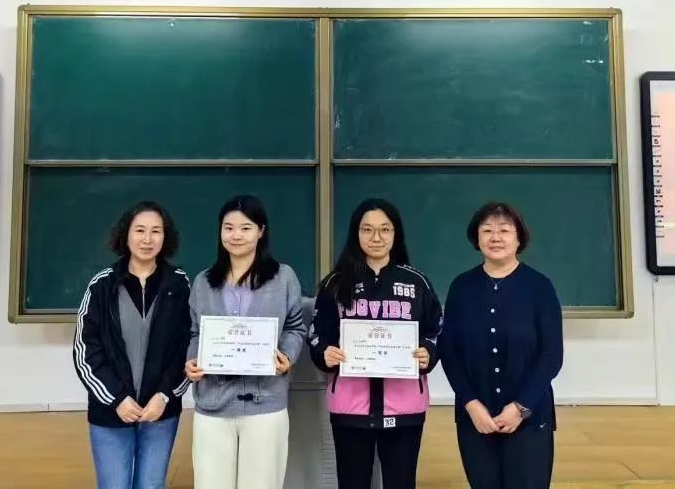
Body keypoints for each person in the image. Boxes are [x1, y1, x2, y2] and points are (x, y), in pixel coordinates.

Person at [308, 197, 443, 489]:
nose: (376, 237)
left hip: (404, 406)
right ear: (356, 234)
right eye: (367, 229)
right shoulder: (335, 283)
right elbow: (317, 333)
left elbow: (437, 329)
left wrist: (429, 351)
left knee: (401, 483)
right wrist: (324, 352)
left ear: (396, 234)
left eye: (385, 229)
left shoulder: (417, 283)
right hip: (350, 407)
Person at [184, 194, 306, 489]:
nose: (236, 235)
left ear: (261, 231)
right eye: (228, 228)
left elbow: (295, 326)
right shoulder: (203, 282)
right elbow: (195, 332)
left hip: (265, 403)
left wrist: (287, 356)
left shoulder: (283, 277)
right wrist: (192, 360)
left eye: (245, 227)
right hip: (213, 403)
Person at [438, 201, 564, 489]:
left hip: (529, 417)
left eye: (504, 230)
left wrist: (519, 408)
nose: (495, 237)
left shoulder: (540, 287)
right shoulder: (461, 287)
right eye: (487, 231)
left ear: (519, 238)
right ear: (477, 238)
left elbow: (551, 356)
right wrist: (471, 405)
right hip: (476, 418)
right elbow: (450, 352)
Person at [72, 201, 192, 489]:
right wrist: (117, 399)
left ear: (166, 237)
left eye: (156, 231)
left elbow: (188, 346)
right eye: (139, 230)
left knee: (151, 485)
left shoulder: (179, 285)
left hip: (160, 412)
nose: (147, 239)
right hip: (111, 412)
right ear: (126, 235)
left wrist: (164, 395)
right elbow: (85, 350)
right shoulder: (102, 285)